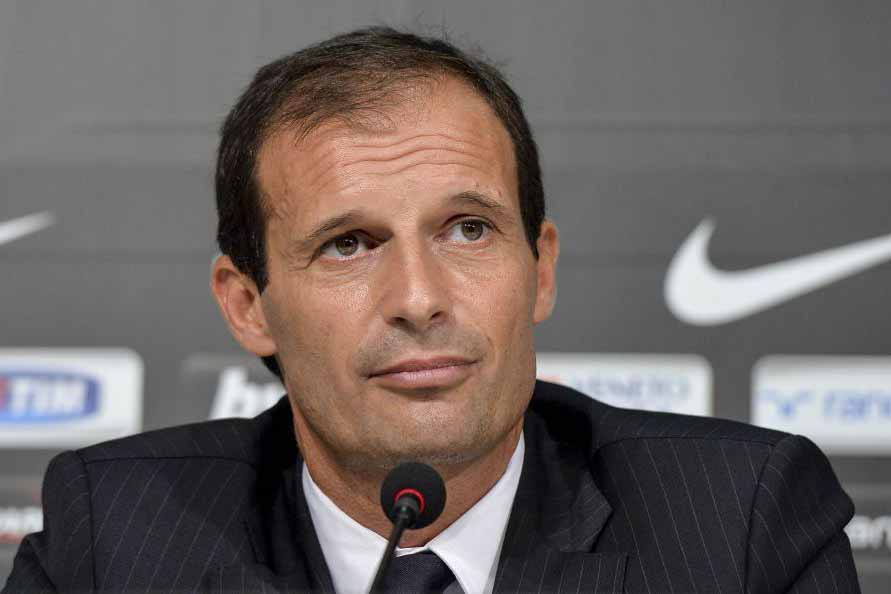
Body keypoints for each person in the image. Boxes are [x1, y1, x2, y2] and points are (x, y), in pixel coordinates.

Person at [4, 27, 859, 594]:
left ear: (540, 269)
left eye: (467, 229)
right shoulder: (115, 537)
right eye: (348, 244)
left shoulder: (737, 522)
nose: (418, 298)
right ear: (248, 305)